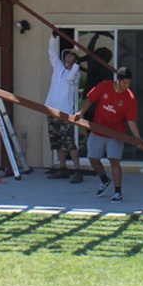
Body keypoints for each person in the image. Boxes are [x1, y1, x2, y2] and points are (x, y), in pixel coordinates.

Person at [75, 67, 141, 203]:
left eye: (129, 83)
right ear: (118, 80)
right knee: (92, 157)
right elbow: (90, 99)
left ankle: (118, 192)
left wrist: (138, 139)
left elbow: (131, 121)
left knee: (114, 160)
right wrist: (80, 113)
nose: (127, 86)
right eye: (125, 83)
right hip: (98, 129)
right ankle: (104, 179)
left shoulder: (130, 98)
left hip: (116, 133)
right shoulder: (104, 86)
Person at [44, 33, 83, 182]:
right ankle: (62, 168)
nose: (69, 56)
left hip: (66, 113)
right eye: (68, 54)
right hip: (52, 110)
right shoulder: (58, 67)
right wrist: (53, 37)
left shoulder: (76, 74)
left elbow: (69, 78)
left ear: (76, 60)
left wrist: (75, 66)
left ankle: (78, 171)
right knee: (56, 142)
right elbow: (52, 52)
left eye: (73, 55)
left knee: (69, 143)